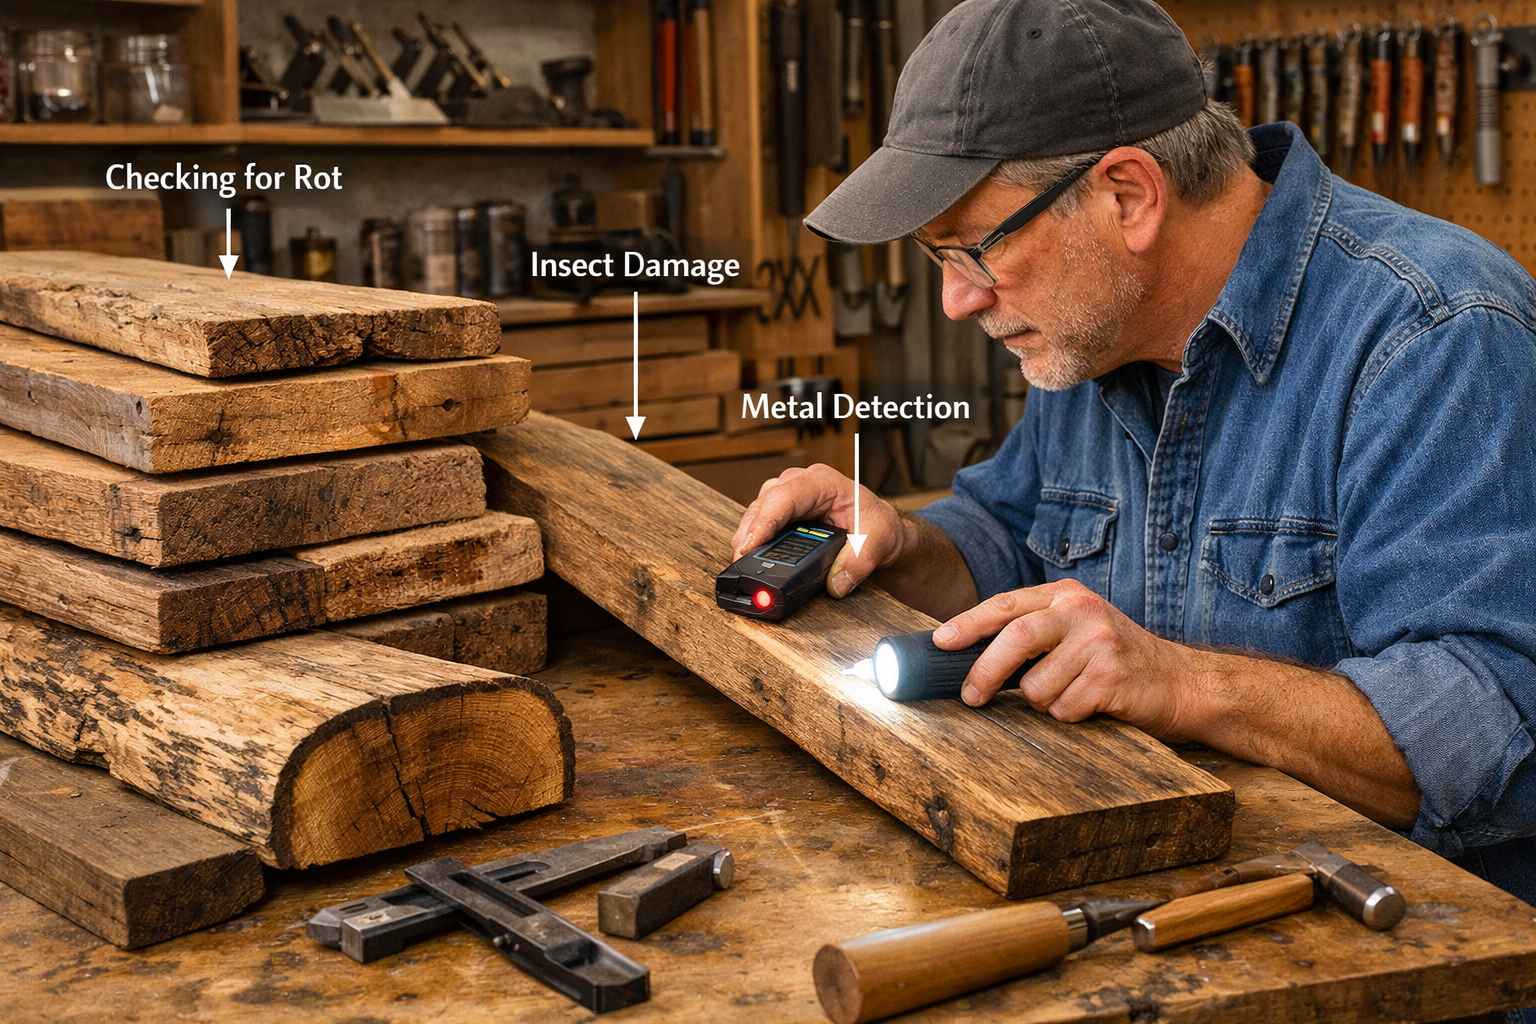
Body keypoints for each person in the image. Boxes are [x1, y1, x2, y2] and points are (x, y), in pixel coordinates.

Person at [732, 0, 1536, 941]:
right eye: (935, 256)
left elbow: (1497, 729)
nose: (957, 299)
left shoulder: (1434, 337)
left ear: (1128, 197)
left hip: (1419, 955)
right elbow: (1009, 546)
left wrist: (1181, 683)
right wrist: (904, 543)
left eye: (977, 249)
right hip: (1173, 912)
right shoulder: (1093, 329)